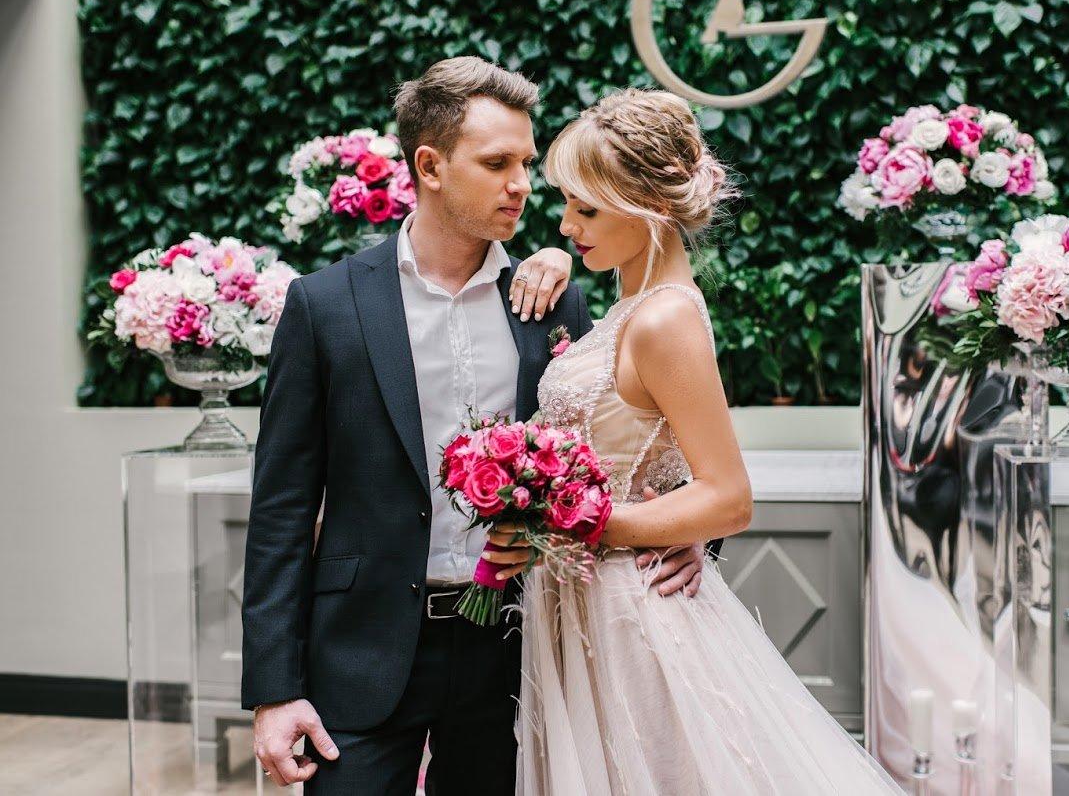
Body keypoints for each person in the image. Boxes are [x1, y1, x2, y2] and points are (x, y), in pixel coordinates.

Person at [240, 58, 708, 794]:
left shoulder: (555, 303)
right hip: (360, 654)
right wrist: (274, 690)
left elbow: (634, 438)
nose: (522, 184)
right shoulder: (324, 307)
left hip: (518, 655)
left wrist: (685, 529)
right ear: (429, 166)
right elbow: (281, 509)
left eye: (525, 162)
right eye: (497, 164)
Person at [496, 89, 905, 794]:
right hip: (587, 600)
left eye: (585, 209)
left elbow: (728, 498)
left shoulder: (664, 320)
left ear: (646, 208)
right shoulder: (632, 308)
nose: (565, 224)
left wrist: (565, 524)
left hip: (629, 610)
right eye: (566, 204)